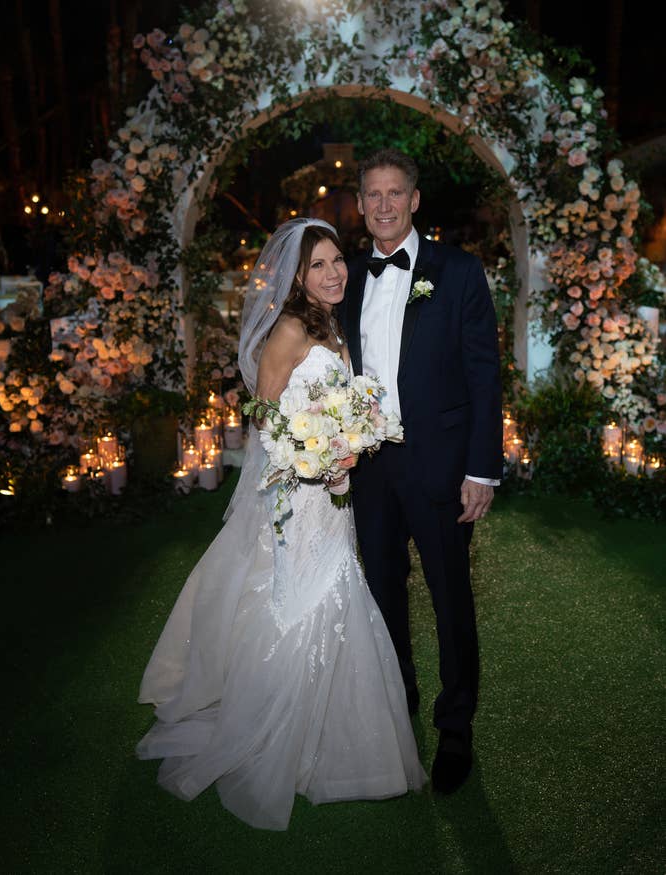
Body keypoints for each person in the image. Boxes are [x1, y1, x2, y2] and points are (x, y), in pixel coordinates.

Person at [136, 218, 426, 831]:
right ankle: (272, 733)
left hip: (334, 496)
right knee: (296, 600)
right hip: (298, 495)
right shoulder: (289, 330)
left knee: (339, 590)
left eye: (337, 262)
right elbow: (263, 417)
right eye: (318, 265)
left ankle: (343, 739)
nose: (333, 273)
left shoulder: (334, 325)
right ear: (296, 275)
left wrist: (350, 447)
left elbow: (347, 406)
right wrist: (312, 459)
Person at [341, 149, 503, 795]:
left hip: (440, 466)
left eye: (394, 193)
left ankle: (455, 727)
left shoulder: (458, 272)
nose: (383, 205)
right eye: (372, 195)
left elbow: (483, 376)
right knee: (382, 596)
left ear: (415, 199)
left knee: (450, 598)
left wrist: (482, 471)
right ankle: (397, 701)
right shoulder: (347, 277)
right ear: (359, 204)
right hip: (370, 467)